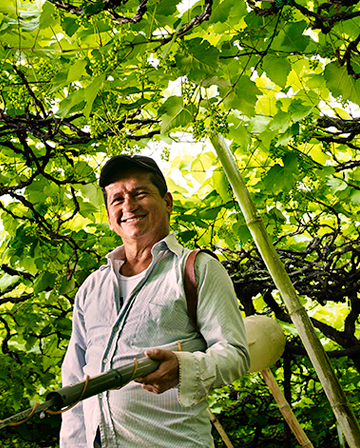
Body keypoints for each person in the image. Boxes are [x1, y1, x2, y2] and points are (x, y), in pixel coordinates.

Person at [60, 155, 250, 448]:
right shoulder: (91, 288)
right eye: (117, 199)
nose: (129, 206)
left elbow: (236, 354)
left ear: (168, 202)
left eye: (140, 194)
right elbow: (74, 383)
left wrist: (185, 368)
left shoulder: (197, 269)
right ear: (110, 216)